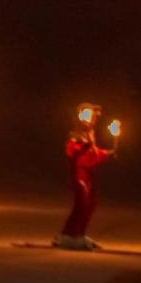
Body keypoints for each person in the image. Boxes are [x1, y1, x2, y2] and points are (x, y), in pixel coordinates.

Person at [55, 103, 116, 251]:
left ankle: (74, 235)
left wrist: (108, 153)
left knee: (90, 205)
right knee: (82, 204)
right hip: (78, 175)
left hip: (87, 175)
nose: (93, 119)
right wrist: (85, 146)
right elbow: (74, 152)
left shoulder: (90, 134)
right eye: (91, 115)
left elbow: (92, 155)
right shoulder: (76, 134)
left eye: (94, 116)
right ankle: (71, 236)